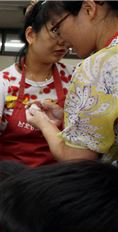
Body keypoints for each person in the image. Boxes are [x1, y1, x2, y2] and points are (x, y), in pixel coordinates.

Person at [0, 1, 72, 167]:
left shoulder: (73, 79)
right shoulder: (2, 82)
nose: (63, 41)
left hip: (57, 183)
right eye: (56, 31)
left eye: (67, 32)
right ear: (30, 35)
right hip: (12, 182)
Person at [26, 0, 118, 163]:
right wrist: (72, 118)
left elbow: (77, 159)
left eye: (57, 27)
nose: (60, 40)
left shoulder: (97, 66)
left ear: (89, 9)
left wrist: (44, 123)